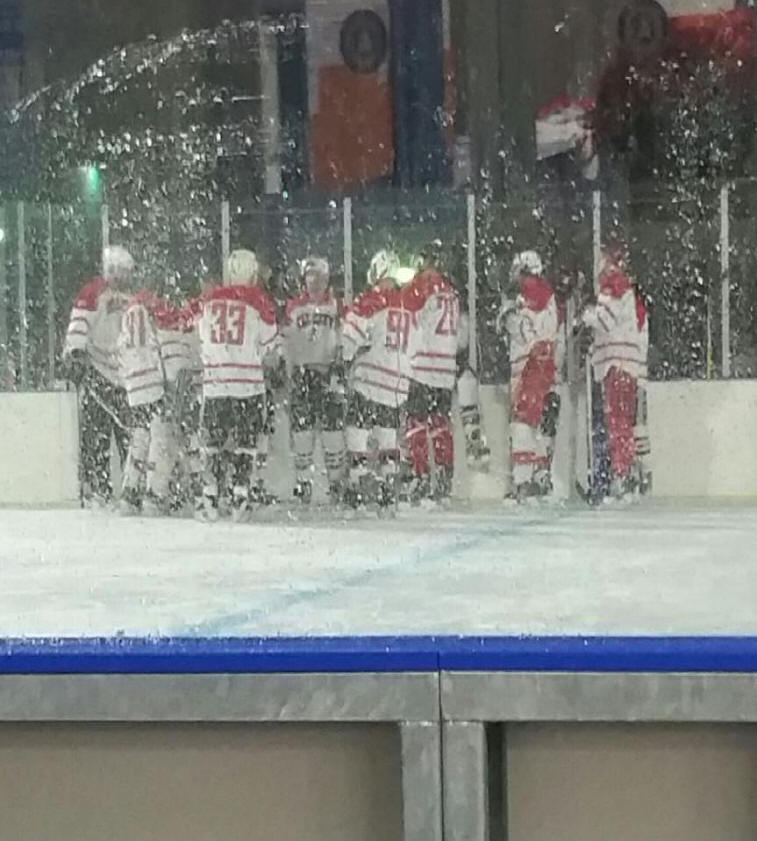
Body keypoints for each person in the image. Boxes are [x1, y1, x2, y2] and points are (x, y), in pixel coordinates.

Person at [195, 248, 279, 521]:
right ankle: (240, 495)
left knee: (213, 443)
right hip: (248, 385)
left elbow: (201, 337)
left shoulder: (209, 300)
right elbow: (270, 347)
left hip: (216, 384)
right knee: (246, 442)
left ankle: (209, 495)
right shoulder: (259, 302)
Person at [62, 245, 133, 507]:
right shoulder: (92, 293)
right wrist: (76, 352)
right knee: (97, 436)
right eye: (118, 270)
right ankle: (98, 489)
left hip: (126, 375)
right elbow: (78, 326)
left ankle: (130, 489)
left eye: (126, 271)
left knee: (129, 438)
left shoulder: (132, 297)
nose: (121, 276)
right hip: (99, 372)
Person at [341, 250, 410, 510]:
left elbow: (350, 338)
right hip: (397, 380)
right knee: (388, 434)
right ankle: (388, 488)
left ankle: (357, 483)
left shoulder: (371, 299)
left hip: (370, 376)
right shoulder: (407, 303)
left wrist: (345, 359)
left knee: (356, 429)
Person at [118, 287, 193, 515]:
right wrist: (171, 385)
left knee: (140, 437)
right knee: (160, 438)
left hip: (134, 385)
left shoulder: (130, 311)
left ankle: (129, 493)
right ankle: (154, 494)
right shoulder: (159, 313)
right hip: (153, 382)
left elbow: (121, 350)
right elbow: (168, 353)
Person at [582, 245, 647, 502]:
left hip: (616, 364)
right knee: (622, 422)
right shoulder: (626, 289)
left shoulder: (613, 286)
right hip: (626, 365)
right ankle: (626, 474)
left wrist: (586, 317)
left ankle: (621, 476)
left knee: (617, 422)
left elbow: (604, 320)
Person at [402, 242, 465, 504]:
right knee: (440, 425)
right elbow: (461, 335)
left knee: (416, 424)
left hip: (423, 365)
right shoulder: (451, 291)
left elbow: (405, 317)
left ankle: (421, 475)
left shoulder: (422, 285)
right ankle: (444, 476)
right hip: (445, 367)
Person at [282, 256, 345, 504]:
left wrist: (340, 366)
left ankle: (336, 484)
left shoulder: (336, 306)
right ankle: (303, 484)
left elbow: (345, 337)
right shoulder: (294, 307)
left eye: (318, 276)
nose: (314, 282)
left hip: (329, 373)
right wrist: (289, 371)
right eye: (309, 276)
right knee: (302, 433)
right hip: (303, 373)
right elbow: (286, 341)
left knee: (333, 434)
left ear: (326, 279)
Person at [498, 250, 558, 502]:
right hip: (545, 365)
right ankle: (541, 476)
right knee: (539, 424)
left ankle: (523, 482)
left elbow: (520, 329)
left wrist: (507, 314)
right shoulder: (546, 293)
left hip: (530, 365)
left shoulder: (527, 293)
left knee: (522, 423)